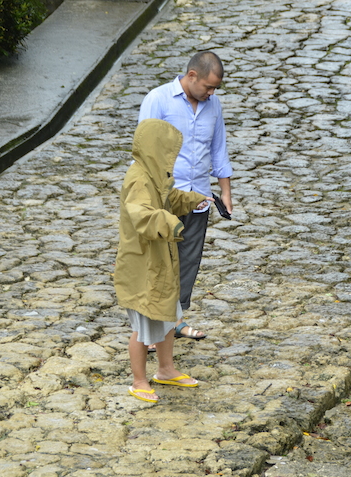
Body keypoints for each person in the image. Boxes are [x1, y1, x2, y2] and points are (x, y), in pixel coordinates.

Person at [114, 118, 214, 403]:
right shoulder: (138, 179)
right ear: (155, 150)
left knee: (169, 317)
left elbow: (170, 198)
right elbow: (142, 213)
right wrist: (171, 224)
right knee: (143, 328)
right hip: (142, 265)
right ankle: (139, 380)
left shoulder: (157, 176)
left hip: (161, 262)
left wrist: (195, 200)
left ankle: (166, 369)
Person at [138, 50, 233, 341]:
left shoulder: (212, 106)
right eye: (208, 86)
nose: (211, 92)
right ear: (192, 76)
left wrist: (225, 193)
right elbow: (143, 151)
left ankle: (174, 322)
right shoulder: (158, 100)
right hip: (164, 198)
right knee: (157, 264)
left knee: (187, 262)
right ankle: (150, 330)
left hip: (199, 197)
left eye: (215, 88)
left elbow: (218, 150)